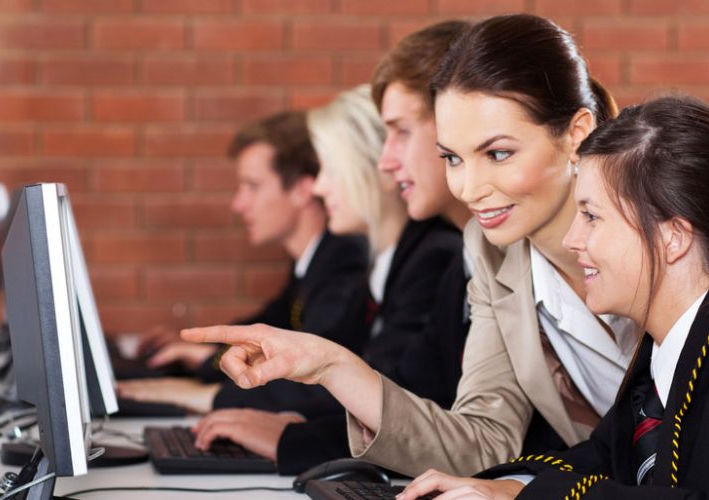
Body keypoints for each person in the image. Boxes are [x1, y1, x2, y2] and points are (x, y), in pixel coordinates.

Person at [182, 13, 631, 477]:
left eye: (498, 153)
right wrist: (331, 366)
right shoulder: (491, 251)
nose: (470, 187)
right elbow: (484, 441)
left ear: (577, 133)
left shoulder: (657, 232)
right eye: (452, 158)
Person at [397, 95, 709, 499]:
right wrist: (503, 489)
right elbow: (603, 456)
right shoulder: (673, 347)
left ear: (673, 237)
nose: (572, 240)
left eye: (590, 216)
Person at [190, 22, 473, 474]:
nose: (319, 187)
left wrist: (291, 434)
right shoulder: (418, 258)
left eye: (327, 168)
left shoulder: (438, 255)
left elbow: (415, 399)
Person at [116, 111, 370, 413]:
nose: (238, 204)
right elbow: (272, 321)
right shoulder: (313, 260)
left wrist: (207, 369)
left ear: (303, 190)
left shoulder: (344, 259)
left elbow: (310, 372)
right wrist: (203, 349)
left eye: (253, 186)